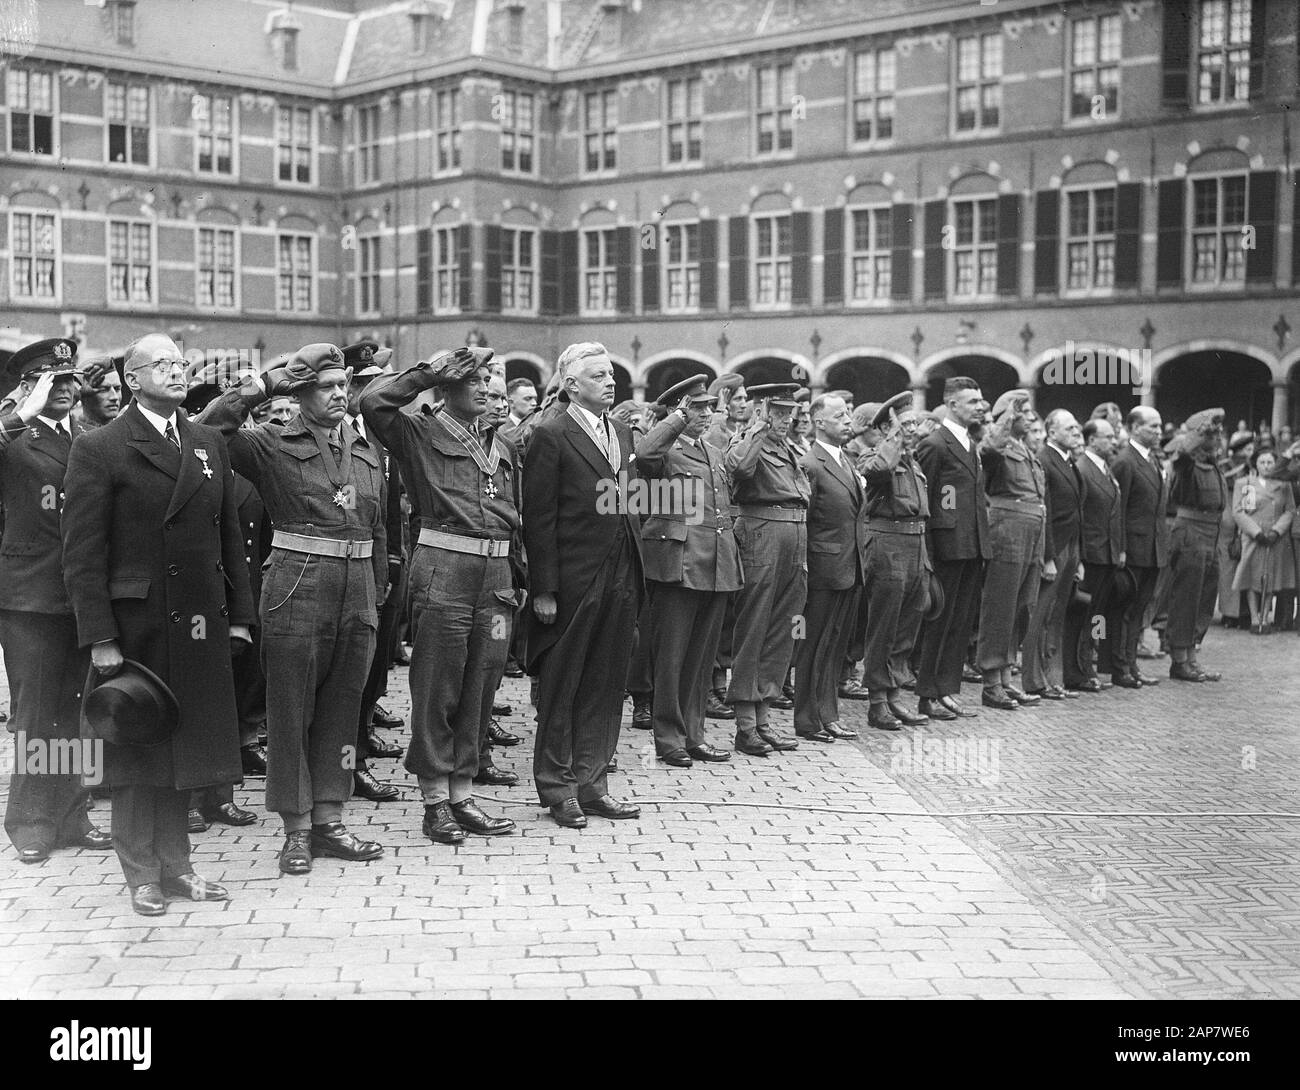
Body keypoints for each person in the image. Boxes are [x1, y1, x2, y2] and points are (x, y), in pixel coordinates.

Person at [62, 333, 255, 915]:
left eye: (181, 362)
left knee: (187, 746)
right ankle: (141, 872)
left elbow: (228, 539)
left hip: (199, 621)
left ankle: (178, 866)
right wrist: (99, 637)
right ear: (132, 378)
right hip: (137, 624)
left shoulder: (204, 442)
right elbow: (82, 555)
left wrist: (241, 617)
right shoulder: (101, 447)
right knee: (138, 751)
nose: (177, 371)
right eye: (163, 364)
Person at [198, 343, 389, 875]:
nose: (338, 395)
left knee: (342, 707)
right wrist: (259, 385)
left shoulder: (366, 448)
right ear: (299, 394)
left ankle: (329, 819)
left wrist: (376, 589)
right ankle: (296, 829)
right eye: (325, 387)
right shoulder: (270, 443)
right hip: (297, 583)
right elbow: (208, 432)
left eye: (341, 385)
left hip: (357, 590)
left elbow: (376, 524)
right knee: (290, 709)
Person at [361, 346, 521, 843]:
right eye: (472, 379)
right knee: (439, 684)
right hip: (445, 570)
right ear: (448, 386)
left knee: (483, 681)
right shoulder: (419, 432)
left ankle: (463, 792)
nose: (485, 387)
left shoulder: (503, 446)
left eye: (488, 379)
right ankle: (435, 800)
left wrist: (520, 577)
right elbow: (372, 403)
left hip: (496, 578)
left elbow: (518, 517)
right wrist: (427, 372)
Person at [0, 338, 113, 863]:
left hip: (82, 594)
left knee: (78, 710)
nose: (65, 389)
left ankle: (74, 813)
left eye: (70, 380)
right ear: (29, 386)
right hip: (29, 598)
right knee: (35, 711)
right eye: (52, 380)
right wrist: (20, 411)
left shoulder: (88, 436)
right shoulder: (14, 437)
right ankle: (30, 820)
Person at [523, 342, 643, 828]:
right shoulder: (551, 433)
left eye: (611, 373)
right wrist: (544, 589)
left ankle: (593, 785)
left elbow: (630, 499)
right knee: (563, 684)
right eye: (598, 375)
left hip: (620, 574)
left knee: (605, 682)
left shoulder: (619, 431)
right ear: (572, 385)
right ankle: (558, 788)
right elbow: (539, 516)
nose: (610, 381)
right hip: (574, 580)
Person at [634, 376, 741, 768]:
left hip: (714, 564)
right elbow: (644, 453)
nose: (705, 414)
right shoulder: (665, 448)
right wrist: (676, 418)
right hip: (677, 565)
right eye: (696, 407)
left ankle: (694, 734)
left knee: (700, 658)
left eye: (709, 407)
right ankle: (668, 738)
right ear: (679, 411)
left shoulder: (712, 451)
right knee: (672, 656)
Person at [723, 383, 810, 755]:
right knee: (755, 626)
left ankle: (764, 718)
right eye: (777, 412)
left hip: (793, 535)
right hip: (761, 533)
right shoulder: (749, 439)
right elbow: (739, 468)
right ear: (761, 410)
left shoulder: (786, 447)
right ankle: (745, 725)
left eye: (788, 413)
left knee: (783, 628)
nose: (786, 420)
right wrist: (758, 427)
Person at [341, 342, 406, 804]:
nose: (372, 391)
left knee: (371, 668)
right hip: (341, 566)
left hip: (383, 564)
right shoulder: (334, 433)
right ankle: (347, 764)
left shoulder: (378, 435)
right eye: (364, 383)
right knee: (346, 678)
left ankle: (358, 745)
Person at [914, 377, 989, 720]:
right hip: (946, 547)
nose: (980, 406)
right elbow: (926, 503)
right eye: (972, 401)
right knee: (939, 622)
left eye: (980, 400)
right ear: (953, 405)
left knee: (960, 622)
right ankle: (926, 694)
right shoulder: (935, 444)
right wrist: (927, 554)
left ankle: (947, 689)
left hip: (971, 546)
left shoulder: (970, 444)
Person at [792, 392, 865, 743]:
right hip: (823, 569)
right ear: (820, 421)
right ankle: (808, 719)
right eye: (840, 415)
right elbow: (803, 521)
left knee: (835, 645)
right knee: (813, 643)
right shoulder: (811, 464)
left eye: (849, 414)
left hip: (848, 567)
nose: (848, 420)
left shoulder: (844, 460)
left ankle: (828, 714)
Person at [857, 394, 931, 729]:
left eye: (915, 424)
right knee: (884, 626)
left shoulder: (913, 461)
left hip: (915, 544)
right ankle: (877, 701)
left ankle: (895, 695)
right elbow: (878, 471)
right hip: (888, 544)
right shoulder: (877, 455)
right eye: (907, 424)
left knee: (907, 624)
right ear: (888, 428)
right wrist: (895, 438)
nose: (914, 430)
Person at [975, 390, 1047, 710]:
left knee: (1021, 605)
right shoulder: (998, 443)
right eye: (1024, 412)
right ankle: (991, 682)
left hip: (1031, 527)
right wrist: (1005, 417)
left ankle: (1005, 677)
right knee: (1001, 606)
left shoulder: (1023, 448)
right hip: (1008, 527)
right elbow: (987, 451)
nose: (1031, 417)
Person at [1022, 409, 1084, 701]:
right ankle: (1034, 680)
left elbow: (1077, 510)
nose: (1076, 431)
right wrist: (1047, 556)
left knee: (1057, 615)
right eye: (1069, 427)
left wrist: (1078, 556)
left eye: (1076, 428)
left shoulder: (1068, 461)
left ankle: (1054, 678)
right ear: (1052, 431)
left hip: (1070, 547)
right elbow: (1046, 510)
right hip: (1054, 546)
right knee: (1041, 615)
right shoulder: (1046, 460)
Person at [1165, 408, 1229, 681]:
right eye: (1213, 436)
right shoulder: (1187, 465)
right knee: (1186, 599)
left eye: (1218, 435)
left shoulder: (1213, 465)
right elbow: (1179, 455)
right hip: (1191, 534)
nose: (1218, 440)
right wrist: (1198, 433)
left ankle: (1191, 656)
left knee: (1204, 598)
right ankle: (1179, 661)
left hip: (1210, 535)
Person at [1110, 407, 1169, 687]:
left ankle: (1131, 663)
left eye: (1159, 427)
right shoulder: (1125, 461)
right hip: (1133, 548)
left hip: (1152, 547)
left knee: (1139, 609)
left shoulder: (1151, 460)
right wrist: (1120, 547)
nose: (1159, 432)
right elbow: (1118, 509)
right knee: (1125, 608)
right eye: (1152, 427)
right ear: (1134, 428)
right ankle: (1120, 666)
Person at [1069, 418, 1126, 692]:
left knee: (1098, 615)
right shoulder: (1083, 469)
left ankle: (1091, 659)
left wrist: (1120, 547)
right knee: (1085, 613)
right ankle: (1080, 668)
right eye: (1108, 437)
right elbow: (1079, 516)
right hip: (1091, 553)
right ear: (1092, 440)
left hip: (1108, 553)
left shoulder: (1106, 470)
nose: (1113, 442)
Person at [1231, 447, 1296, 633]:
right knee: (1252, 576)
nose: (1266, 466)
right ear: (1255, 463)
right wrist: (1256, 532)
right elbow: (1238, 511)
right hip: (1253, 537)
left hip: (1275, 538)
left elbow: (1290, 510)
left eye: (1270, 462)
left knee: (1270, 576)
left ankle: (1265, 617)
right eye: (1262, 462)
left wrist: (1277, 531)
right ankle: (1254, 617)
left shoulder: (1283, 485)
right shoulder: (1244, 483)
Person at [75, 356, 122, 430]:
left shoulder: (126, 429)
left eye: (117, 389)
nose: (114, 397)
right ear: (83, 394)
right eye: (103, 390)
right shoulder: (72, 432)